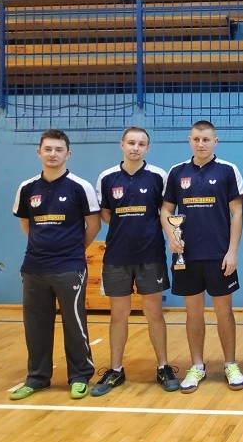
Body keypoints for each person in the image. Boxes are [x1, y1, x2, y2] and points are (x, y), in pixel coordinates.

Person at [10, 129, 101, 400]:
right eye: (48, 149)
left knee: (74, 323)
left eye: (58, 149)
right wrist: (42, 247)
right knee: (35, 325)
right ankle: (37, 377)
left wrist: (74, 249)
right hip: (34, 267)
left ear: (67, 154)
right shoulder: (27, 188)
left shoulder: (80, 186)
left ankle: (80, 376)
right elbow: (26, 224)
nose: (53, 154)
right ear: (39, 152)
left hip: (69, 267)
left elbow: (93, 225)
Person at [91, 126, 179, 396]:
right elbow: (106, 214)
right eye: (131, 143)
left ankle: (163, 367)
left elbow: (165, 212)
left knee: (154, 313)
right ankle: (116, 369)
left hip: (151, 255)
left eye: (141, 144)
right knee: (119, 315)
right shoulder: (107, 177)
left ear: (147, 148)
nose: (135, 148)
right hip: (117, 257)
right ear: (122, 145)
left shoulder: (158, 176)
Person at [160, 120, 243, 393]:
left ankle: (230, 364)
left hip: (219, 256)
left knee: (224, 312)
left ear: (215, 141)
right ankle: (197, 365)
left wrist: (232, 251)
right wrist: (171, 236)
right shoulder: (177, 172)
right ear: (189, 140)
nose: (201, 144)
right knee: (193, 313)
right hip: (186, 257)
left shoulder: (228, 170)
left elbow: (237, 213)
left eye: (206, 139)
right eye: (196, 139)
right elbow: (166, 210)